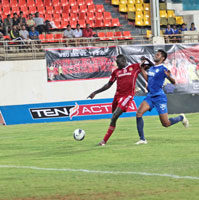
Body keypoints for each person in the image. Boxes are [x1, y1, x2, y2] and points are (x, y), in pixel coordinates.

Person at [87, 54, 145, 146]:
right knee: (113, 118)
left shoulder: (134, 67)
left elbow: (146, 65)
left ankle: (103, 141)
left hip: (127, 96)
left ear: (124, 61)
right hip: (117, 97)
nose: (117, 65)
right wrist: (95, 92)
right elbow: (108, 85)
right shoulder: (116, 72)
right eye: (116, 63)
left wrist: (145, 61)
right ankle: (105, 139)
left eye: (118, 63)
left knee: (114, 116)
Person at [135, 49, 189, 145]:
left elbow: (174, 82)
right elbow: (148, 79)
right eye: (156, 54)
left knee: (166, 124)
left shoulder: (163, 68)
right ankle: (142, 139)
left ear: (162, 58)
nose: (156, 55)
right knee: (138, 113)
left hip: (159, 98)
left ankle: (181, 117)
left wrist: (169, 77)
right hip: (150, 96)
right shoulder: (151, 68)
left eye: (158, 54)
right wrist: (142, 69)